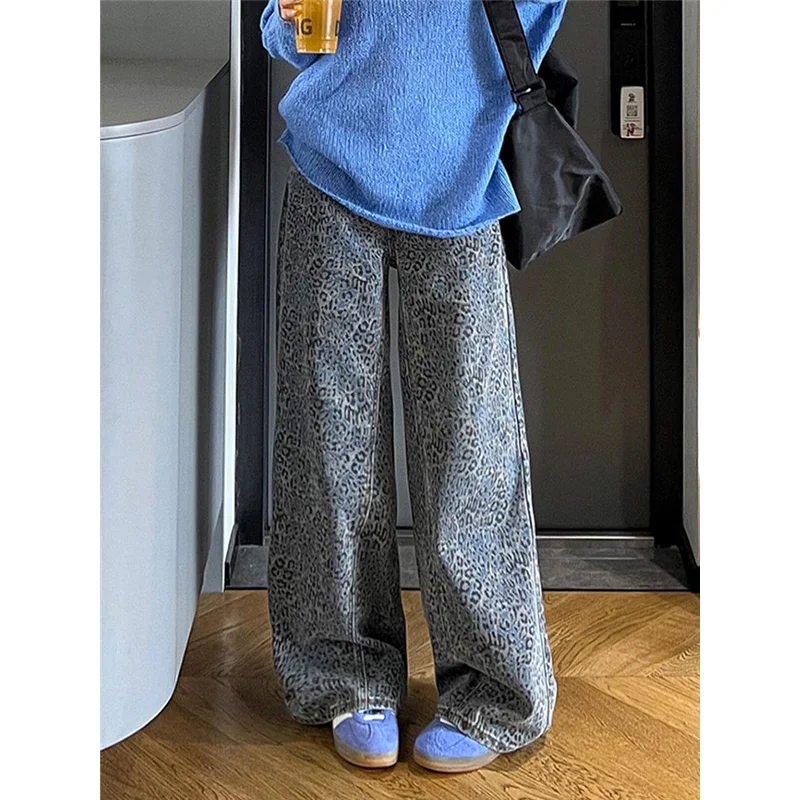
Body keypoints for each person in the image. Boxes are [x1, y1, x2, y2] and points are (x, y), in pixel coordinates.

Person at [259, 0, 567, 773]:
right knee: (329, 443)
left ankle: (497, 689)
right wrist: (297, 22)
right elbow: (280, 27)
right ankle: (344, 672)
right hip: (330, 169)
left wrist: (467, 104)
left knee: (472, 447)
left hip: (463, 177)